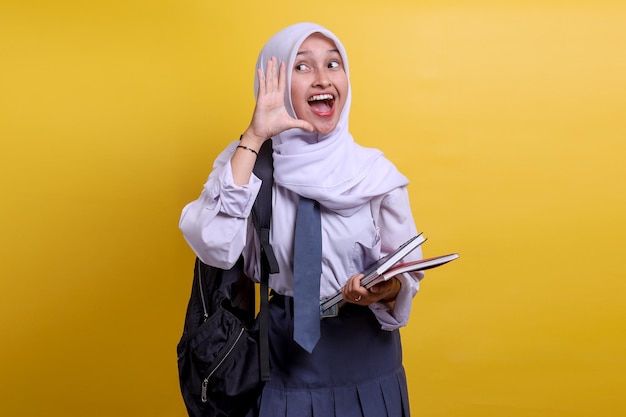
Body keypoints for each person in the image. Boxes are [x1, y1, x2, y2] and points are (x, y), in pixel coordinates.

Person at [179, 22, 423, 417]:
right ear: (272, 81)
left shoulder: (374, 173)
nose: (322, 79)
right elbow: (213, 245)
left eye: (333, 63)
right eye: (302, 67)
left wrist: (383, 290)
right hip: (280, 362)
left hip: (369, 361)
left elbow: (404, 276)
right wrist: (255, 136)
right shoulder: (248, 163)